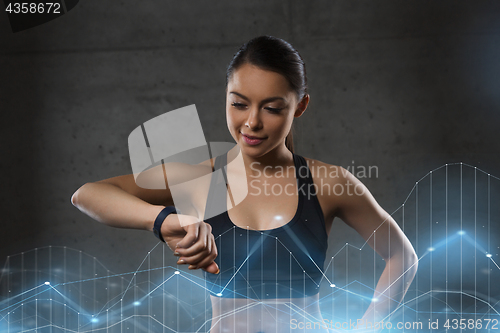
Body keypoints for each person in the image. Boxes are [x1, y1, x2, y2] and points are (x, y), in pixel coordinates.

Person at [71, 36, 418, 332]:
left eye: (271, 108)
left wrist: (367, 326)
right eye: (239, 104)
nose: (251, 122)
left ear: (300, 107)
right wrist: (164, 220)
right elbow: (88, 194)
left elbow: (402, 257)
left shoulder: (326, 183)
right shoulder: (202, 178)